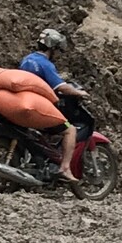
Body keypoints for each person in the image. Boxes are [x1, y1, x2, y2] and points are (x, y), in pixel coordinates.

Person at [19, 29, 86, 181]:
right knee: (70, 130)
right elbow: (61, 87)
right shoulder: (45, 64)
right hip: (36, 108)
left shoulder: (26, 60)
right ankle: (65, 168)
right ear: (52, 48)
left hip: (22, 104)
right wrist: (79, 93)